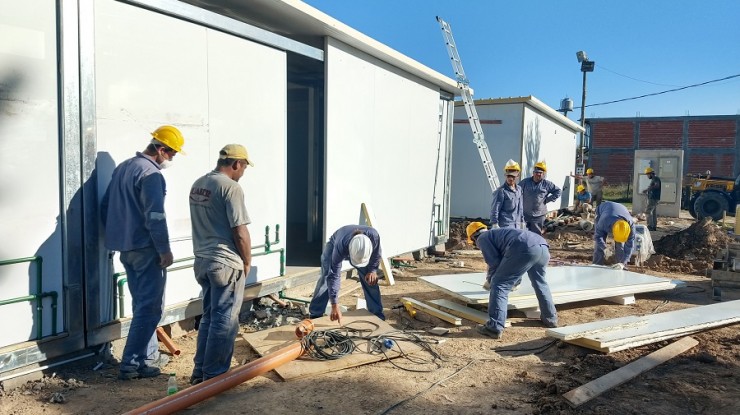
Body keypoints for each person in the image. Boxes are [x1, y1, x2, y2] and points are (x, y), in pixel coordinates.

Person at [100, 125, 185, 380]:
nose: (172, 159)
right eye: (171, 154)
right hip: (147, 249)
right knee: (150, 309)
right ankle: (130, 364)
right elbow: (155, 216)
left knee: (142, 307)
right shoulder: (151, 175)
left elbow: (105, 207)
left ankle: (143, 362)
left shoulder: (124, 167)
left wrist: (120, 235)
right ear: (160, 149)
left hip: (126, 249)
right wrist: (164, 250)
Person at [188, 144, 254, 384]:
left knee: (209, 317)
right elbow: (240, 231)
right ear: (236, 164)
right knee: (225, 320)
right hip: (225, 262)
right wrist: (246, 261)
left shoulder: (199, 183)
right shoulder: (231, 187)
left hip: (203, 261)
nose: (243, 172)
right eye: (244, 167)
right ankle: (214, 377)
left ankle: (200, 374)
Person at [465, 222, 558, 339]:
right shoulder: (498, 234)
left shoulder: (482, 238)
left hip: (524, 247)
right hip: (542, 246)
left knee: (499, 285)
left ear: (474, 236)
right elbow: (511, 262)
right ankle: (550, 319)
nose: (476, 245)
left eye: (474, 243)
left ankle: (494, 327)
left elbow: (494, 263)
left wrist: (490, 281)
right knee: (540, 283)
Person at [309, 225, 385, 324]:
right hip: (334, 244)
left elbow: (376, 254)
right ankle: (315, 315)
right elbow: (334, 275)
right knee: (326, 277)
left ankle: (377, 314)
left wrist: (372, 270)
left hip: (357, 249)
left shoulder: (374, 236)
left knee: (370, 278)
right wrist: (334, 305)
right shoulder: (340, 246)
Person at [520, 161, 561, 234]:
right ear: (533, 172)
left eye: (540, 173)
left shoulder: (547, 184)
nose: (538, 174)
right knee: (524, 234)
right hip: (525, 214)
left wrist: (548, 199)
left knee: (536, 235)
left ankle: (535, 245)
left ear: (543, 174)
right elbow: (517, 191)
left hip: (539, 216)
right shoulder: (525, 182)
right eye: (536, 172)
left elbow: (558, 191)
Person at [592, 201, 635, 270]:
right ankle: (597, 264)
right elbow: (597, 236)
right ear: (612, 231)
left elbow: (630, 246)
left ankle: (620, 264)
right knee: (599, 244)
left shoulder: (630, 226)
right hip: (602, 211)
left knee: (620, 244)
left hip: (618, 210)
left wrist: (623, 263)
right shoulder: (604, 222)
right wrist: (604, 248)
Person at [489, 159, 523, 229]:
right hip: (505, 226)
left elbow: (520, 208)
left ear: (518, 176)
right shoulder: (501, 191)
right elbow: (495, 209)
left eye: (513, 176)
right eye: (508, 176)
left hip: (517, 225)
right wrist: (495, 223)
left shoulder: (519, 189)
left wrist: (522, 222)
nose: (510, 179)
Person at [643, 167, 661, 231]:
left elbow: (657, 185)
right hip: (654, 197)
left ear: (651, 174)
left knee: (648, 211)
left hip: (653, 198)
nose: (647, 176)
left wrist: (647, 189)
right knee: (653, 212)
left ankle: (650, 226)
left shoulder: (655, 178)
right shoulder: (654, 179)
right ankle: (654, 226)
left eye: (648, 174)